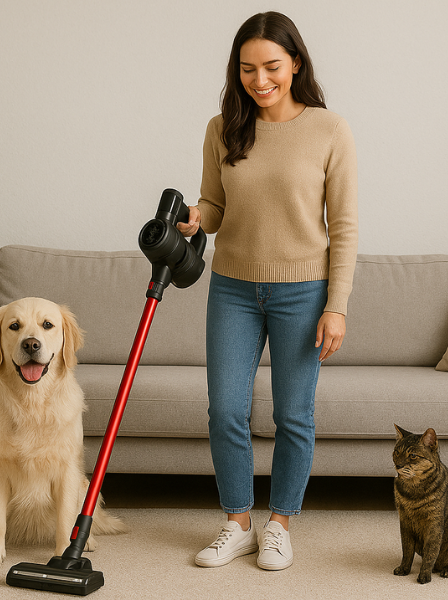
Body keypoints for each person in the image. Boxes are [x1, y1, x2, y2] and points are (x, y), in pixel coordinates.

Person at [177, 12, 358, 571]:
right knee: (225, 410)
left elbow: (345, 226)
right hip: (231, 287)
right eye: (248, 68)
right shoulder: (222, 127)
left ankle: (279, 525)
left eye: (272, 67)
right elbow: (215, 207)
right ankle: (237, 522)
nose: (260, 80)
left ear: (295, 64)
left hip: (304, 292)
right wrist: (193, 218)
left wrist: (337, 307)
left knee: (293, 415)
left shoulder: (329, 129)